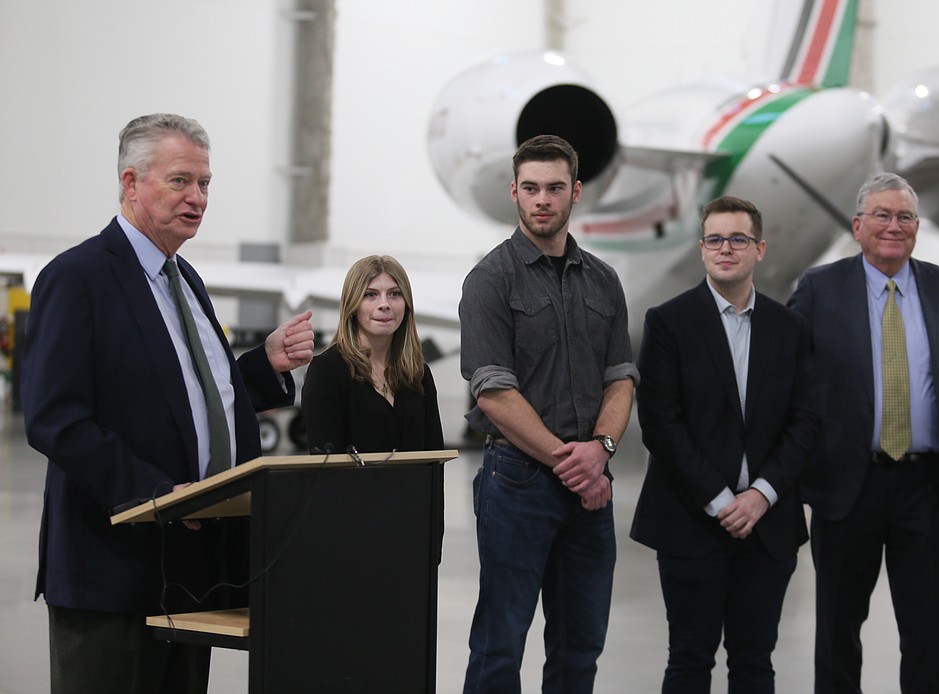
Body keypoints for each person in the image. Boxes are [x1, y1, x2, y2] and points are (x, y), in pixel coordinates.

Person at [21, 113, 315, 694]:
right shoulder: (78, 277)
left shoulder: (185, 280)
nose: (198, 198)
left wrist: (263, 365)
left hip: (185, 575)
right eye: (180, 181)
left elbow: (188, 394)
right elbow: (54, 418)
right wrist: (154, 494)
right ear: (131, 183)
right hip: (114, 568)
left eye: (205, 184)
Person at [787, 172, 939, 694]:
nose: (893, 226)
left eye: (904, 217)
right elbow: (790, 382)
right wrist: (808, 461)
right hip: (847, 488)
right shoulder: (819, 288)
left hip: (928, 487)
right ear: (858, 226)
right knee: (838, 630)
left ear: (917, 228)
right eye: (882, 215)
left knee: (928, 634)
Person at [458, 134, 639, 693]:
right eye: (531, 188)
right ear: (514, 192)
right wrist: (574, 462)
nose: (543, 199)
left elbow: (621, 378)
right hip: (517, 482)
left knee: (581, 643)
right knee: (500, 641)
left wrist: (601, 451)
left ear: (575, 193)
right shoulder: (490, 280)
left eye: (555, 188)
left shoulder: (604, 281)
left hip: (590, 483)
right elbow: (493, 391)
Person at [630, 195, 819, 692]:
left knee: (755, 663)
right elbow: (660, 423)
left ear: (759, 249)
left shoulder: (790, 328)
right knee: (690, 661)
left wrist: (761, 494)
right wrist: (719, 500)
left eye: (738, 239)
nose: (726, 248)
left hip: (768, 523)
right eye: (715, 239)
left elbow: (805, 421)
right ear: (701, 249)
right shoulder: (668, 322)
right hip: (691, 520)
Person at [302, 254, 443, 454]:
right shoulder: (327, 372)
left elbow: (435, 460)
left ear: (406, 306)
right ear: (352, 306)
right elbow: (325, 468)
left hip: (414, 486)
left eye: (394, 294)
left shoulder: (419, 375)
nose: (384, 304)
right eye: (370, 294)